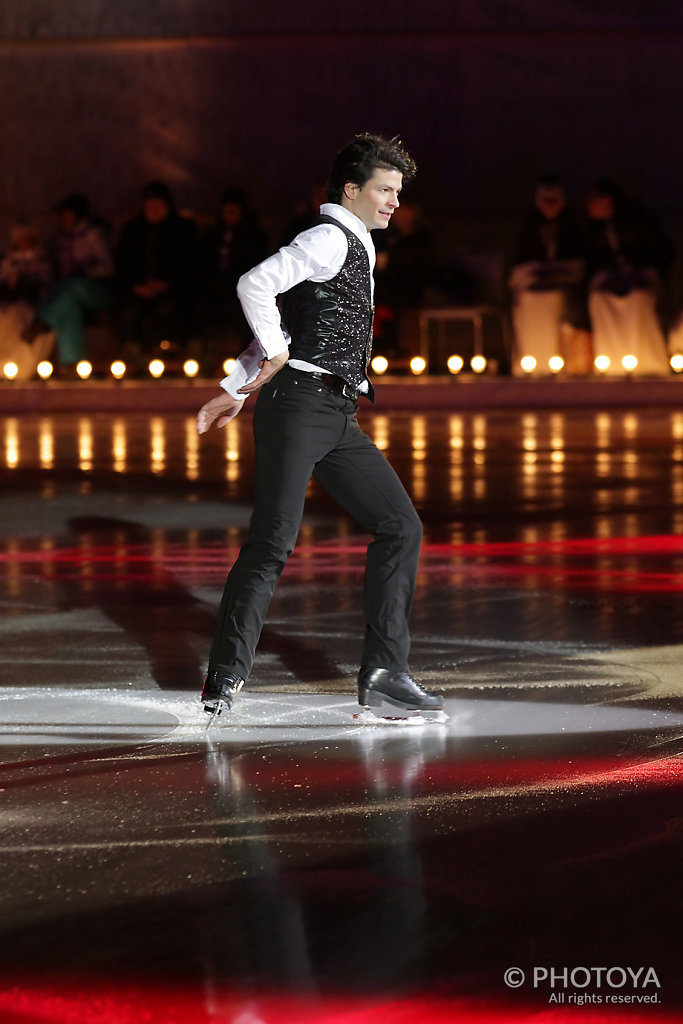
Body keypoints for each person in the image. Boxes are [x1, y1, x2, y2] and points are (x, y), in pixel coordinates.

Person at [196, 133, 444, 721]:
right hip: (300, 408)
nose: (393, 203)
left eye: (398, 193)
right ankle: (225, 676)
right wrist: (272, 357)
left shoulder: (352, 242)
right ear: (351, 190)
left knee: (399, 525)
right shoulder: (329, 237)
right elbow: (255, 285)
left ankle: (385, 674)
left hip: (336, 414)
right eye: (384, 190)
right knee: (273, 542)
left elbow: (301, 319)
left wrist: (238, 384)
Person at [584, 178, 674, 376]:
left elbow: (662, 251)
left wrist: (639, 268)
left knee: (638, 298)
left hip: (642, 275)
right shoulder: (594, 230)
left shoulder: (637, 221)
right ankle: (613, 363)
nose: (589, 205)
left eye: (595, 199)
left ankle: (648, 362)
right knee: (600, 299)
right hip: (612, 279)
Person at [27, 193, 114, 373]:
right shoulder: (60, 238)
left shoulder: (93, 235)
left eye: (66, 215)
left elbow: (108, 266)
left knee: (74, 287)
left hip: (97, 291)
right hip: (69, 292)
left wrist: (87, 271)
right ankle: (72, 364)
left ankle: (43, 320)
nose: (62, 219)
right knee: (69, 305)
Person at [508, 175, 586, 375]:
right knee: (529, 299)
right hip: (532, 289)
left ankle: (558, 361)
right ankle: (531, 362)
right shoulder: (528, 226)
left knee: (553, 300)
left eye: (554, 201)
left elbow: (580, 264)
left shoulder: (573, 226)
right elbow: (517, 264)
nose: (550, 206)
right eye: (545, 201)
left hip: (565, 289)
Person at [116, 180, 198, 358]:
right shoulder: (132, 231)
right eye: (149, 206)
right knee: (130, 311)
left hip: (172, 289)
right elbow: (122, 266)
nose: (153, 211)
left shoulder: (183, 230)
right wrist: (136, 287)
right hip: (137, 290)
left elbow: (189, 266)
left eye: (157, 206)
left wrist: (165, 284)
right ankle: (133, 354)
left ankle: (167, 353)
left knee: (169, 310)